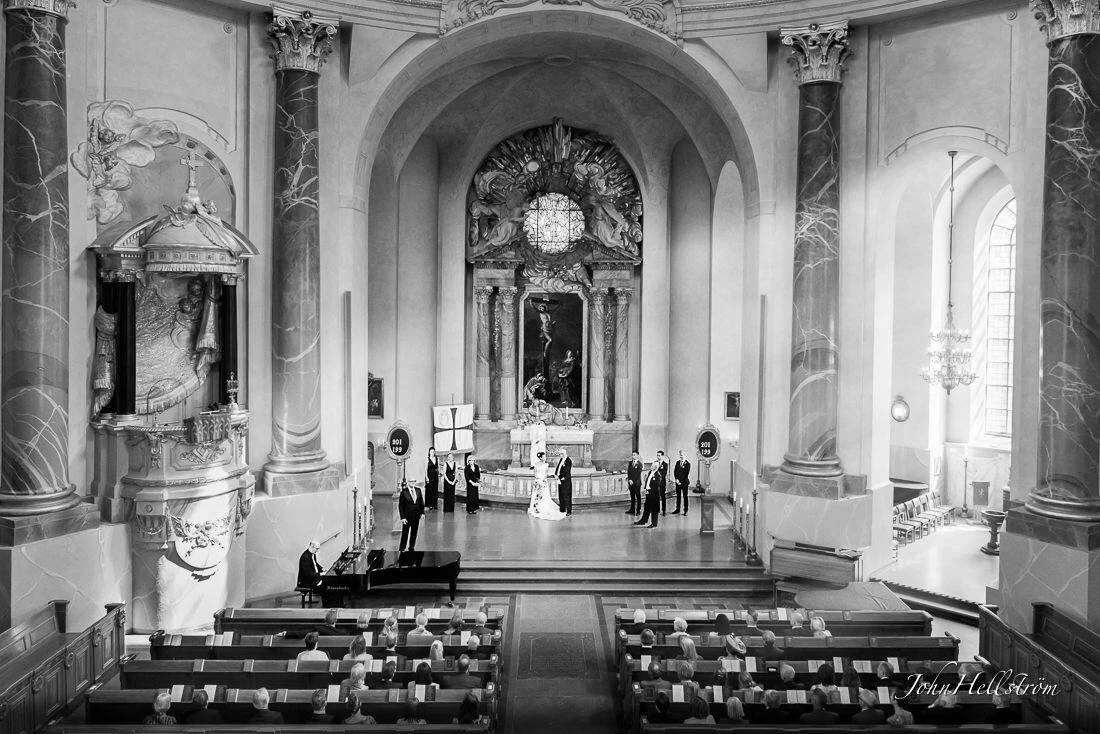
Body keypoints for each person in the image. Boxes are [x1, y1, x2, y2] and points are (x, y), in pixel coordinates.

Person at [528, 451, 566, 521]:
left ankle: (543, 508)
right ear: (540, 457)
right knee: (537, 495)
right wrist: (538, 480)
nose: (545, 457)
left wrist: (551, 476)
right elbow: (535, 473)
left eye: (545, 456)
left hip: (543, 481)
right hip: (538, 481)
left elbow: (546, 474)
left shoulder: (546, 465)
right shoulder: (536, 464)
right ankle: (536, 507)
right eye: (544, 456)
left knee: (544, 495)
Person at [634, 456, 663, 528]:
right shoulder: (650, 472)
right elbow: (647, 482)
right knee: (646, 508)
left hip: (654, 495)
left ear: (656, 467)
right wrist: (646, 489)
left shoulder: (658, 475)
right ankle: (643, 521)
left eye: (652, 465)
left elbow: (656, 487)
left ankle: (654, 523)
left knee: (654, 510)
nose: (651, 466)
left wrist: (649, 490)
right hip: (649, 493)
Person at [398, 479, 425, 551]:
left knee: (414, 533)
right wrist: (402, 517)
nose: (413, 482)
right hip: (407, 517)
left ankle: (411, 548)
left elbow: (421, 502)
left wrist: (422, 513)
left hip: (416, 516)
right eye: (411, 481)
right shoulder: (404, 492)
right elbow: (401, 506)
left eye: (414, 481)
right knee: (405, 534)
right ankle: (402, 549)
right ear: (408, 482)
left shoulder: (418, 490)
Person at [555, 448, 573, 516]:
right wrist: (556, 474)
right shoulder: (561, 459)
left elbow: (566, 470)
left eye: (561, 454)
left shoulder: (568, 460)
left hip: (566, 481)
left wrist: (559, 476)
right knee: (561, 495)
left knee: (567, 495)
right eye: (560, 454)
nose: (560, 455)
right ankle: (562, 509)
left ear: (564, 454)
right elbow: (558, 468)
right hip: (560, 480)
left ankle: (569, 511)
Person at [673, 450, 691, 514]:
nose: (681, 456)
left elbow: (686, 474)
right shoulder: (677, 462)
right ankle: (677, 509)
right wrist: (676, 479)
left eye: (682, 455)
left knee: (685, 496)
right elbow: (675, 471)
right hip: (678, 482)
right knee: (678, 496)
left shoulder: (688, 464)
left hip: (684, 483)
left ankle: (685, 510)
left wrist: (680, 481)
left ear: (685, 455)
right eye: (680, 455)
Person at [626, 450, 643, 515]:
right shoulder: (630, 463)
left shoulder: (640, 464)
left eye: (634, 455)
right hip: (630, 483)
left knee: (638, 497)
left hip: (637, 483)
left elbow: (638, 474)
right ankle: (632, 509)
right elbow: (629, 472)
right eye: (632, 455)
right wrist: (629, 480)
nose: (633, 456)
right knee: (632, 497)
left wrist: (633, 480)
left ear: (638, 456)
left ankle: (638, 510)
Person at [425, 447, 439, 511]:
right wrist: (426, 477)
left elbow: (437, 468)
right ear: (429, 452)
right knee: (429, 490)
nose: (432, 453)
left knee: (435, 490)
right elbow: (425, 469)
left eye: (433, 452)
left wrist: (438, 474)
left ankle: (434, 504)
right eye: (431, 452)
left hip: (435, 476)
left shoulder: (436, 458)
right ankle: (430, 504)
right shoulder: (427, 459)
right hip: (429, 476)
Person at [656, 450, 669, 515]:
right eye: (657, 455)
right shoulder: (654, 463)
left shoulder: (665, 464)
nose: (658, 457)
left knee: (663, 497)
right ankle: (657, 509)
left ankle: (664, 510)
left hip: (662, 483)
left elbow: (664, 474)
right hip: (655, 483)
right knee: (656, 497)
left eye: (659, 455)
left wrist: (657, 472)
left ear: (662, 456)